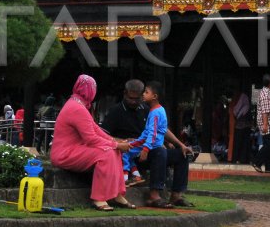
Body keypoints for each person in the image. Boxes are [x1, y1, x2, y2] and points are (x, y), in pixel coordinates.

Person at [101, 79, 195, 208]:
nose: (134, 102)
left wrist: (180, 144)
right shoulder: (115, 111)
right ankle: (154, 196)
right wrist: (121, 141)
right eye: (130, 98)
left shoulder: (147, 109)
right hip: (131, 154)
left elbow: (161, 129)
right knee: (160, 152)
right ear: (124, 94)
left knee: (181, 155)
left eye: (138, 98)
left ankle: (176, 195)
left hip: (147, 149)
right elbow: (102, 134)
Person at [50, 74, 134, 211]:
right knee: (106, 153)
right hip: (64, 154)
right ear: (91, 91)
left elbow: (96, 130)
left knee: (114, 150)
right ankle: (99, 198)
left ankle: (117, 194)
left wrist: (115, 142)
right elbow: (91, 138)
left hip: (74, 149)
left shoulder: (77, 104)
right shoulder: (77, 108)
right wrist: (117, 144)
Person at [230, 86, 251, 165]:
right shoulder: (246, 101)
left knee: (238, 143)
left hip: (239, 125)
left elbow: (235, 111)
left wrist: (236, 115)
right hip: (245, 126)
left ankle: (236, 158)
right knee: (244, 144)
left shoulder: (242, 97)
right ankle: (243, 159)